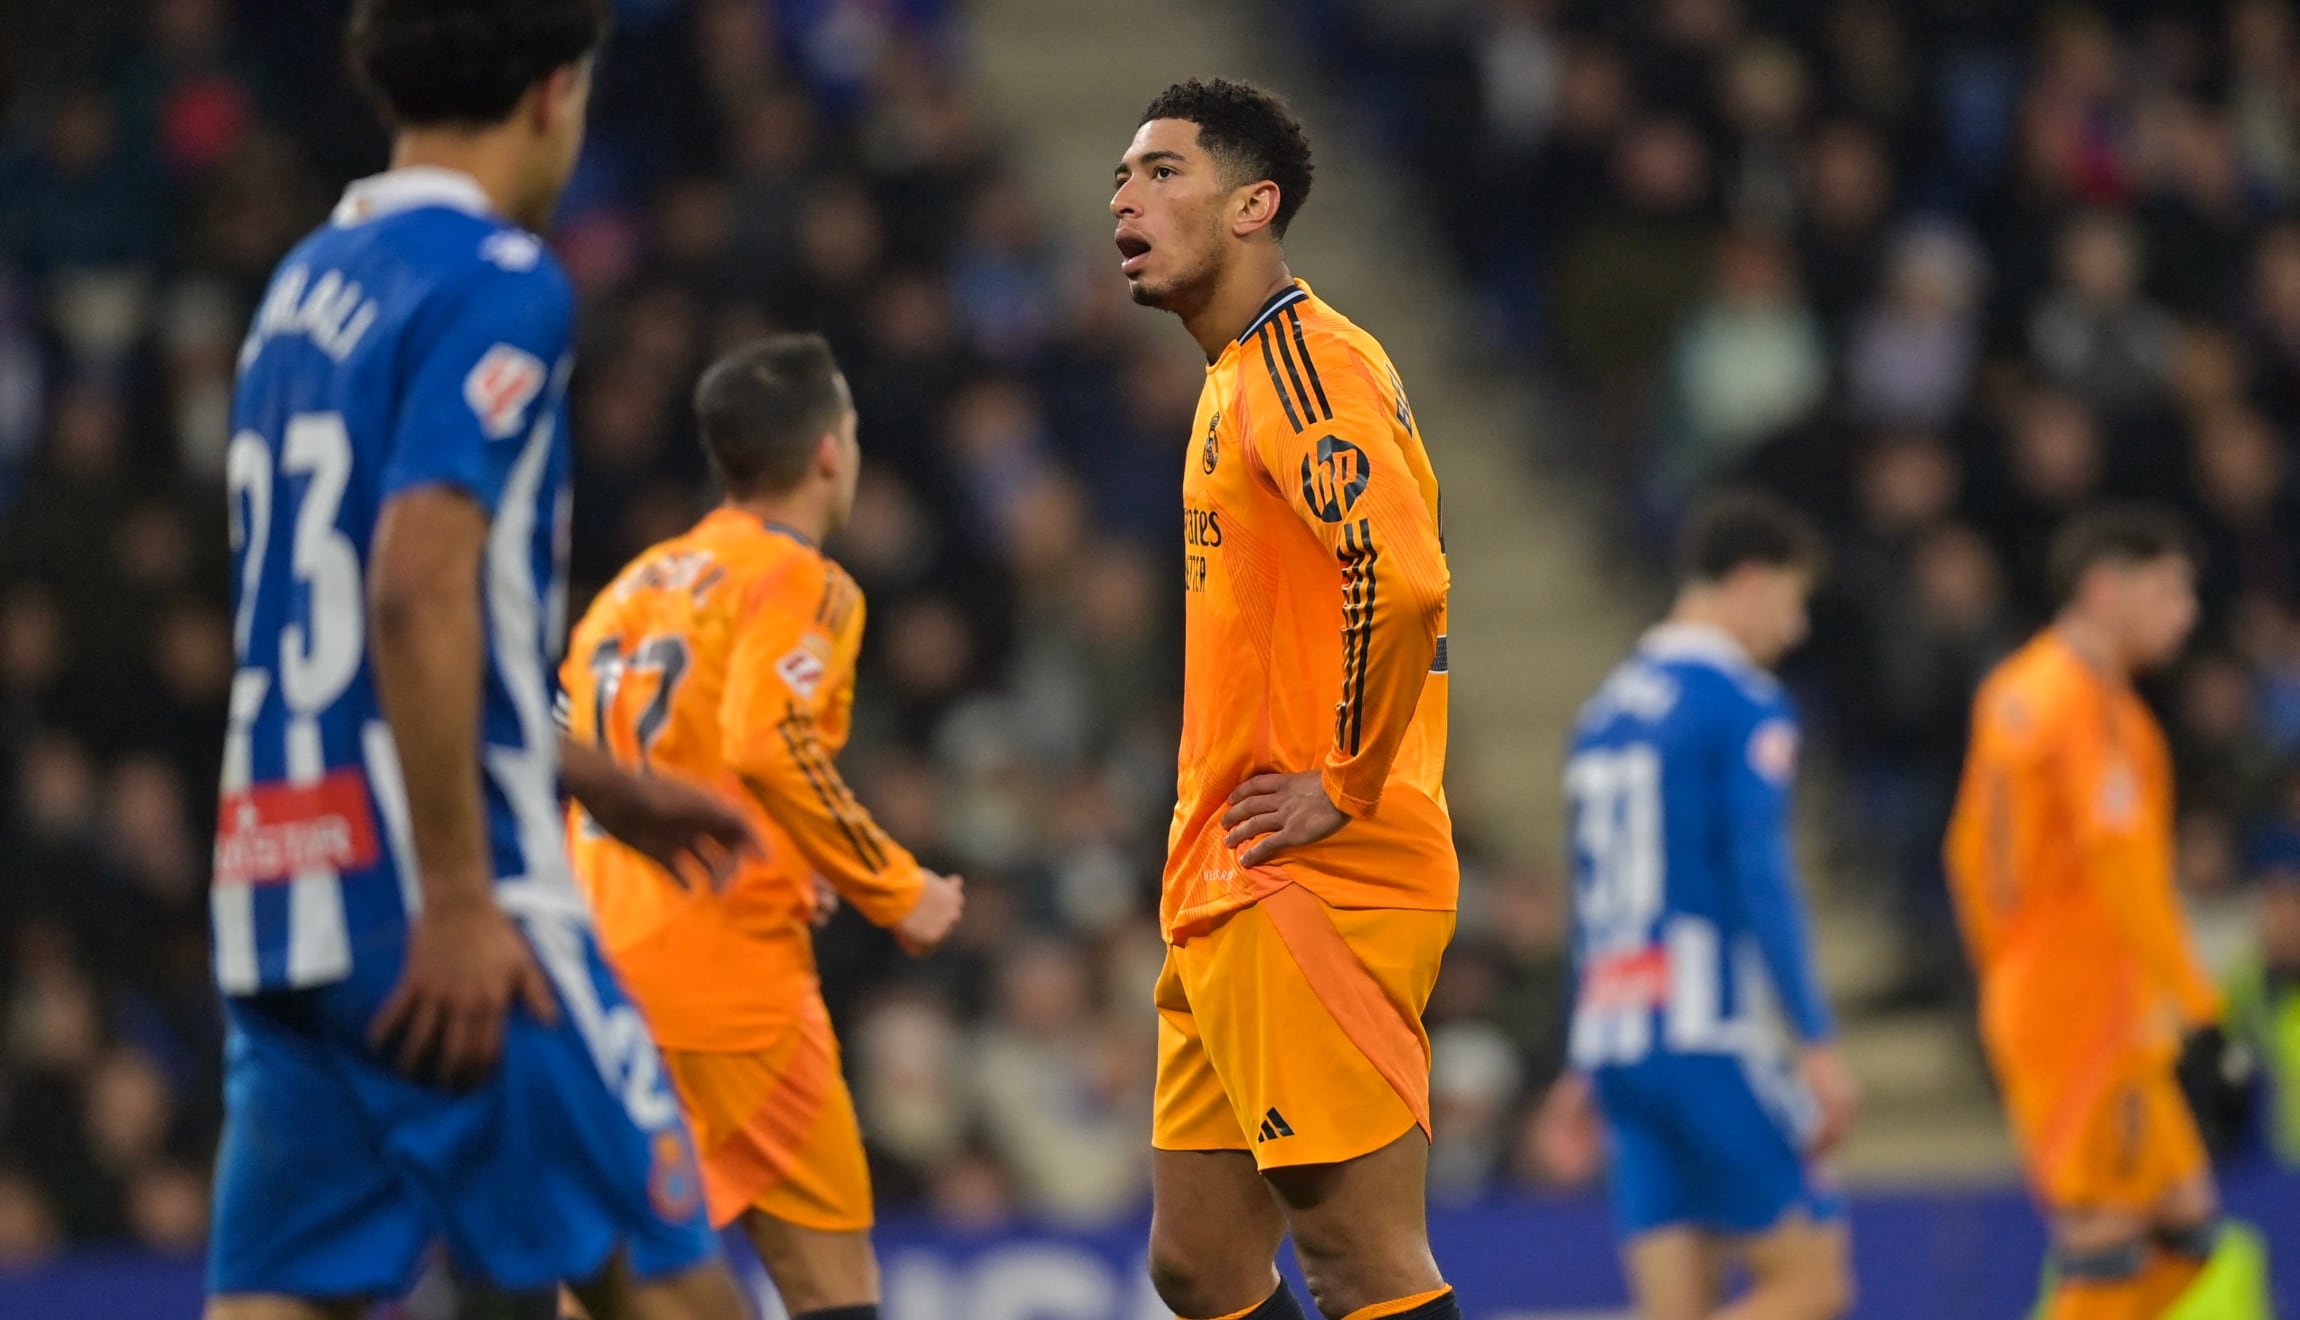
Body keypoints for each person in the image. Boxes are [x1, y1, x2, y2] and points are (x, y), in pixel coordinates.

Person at [205, 3, 759, 1317]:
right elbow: (411, 585)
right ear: (555, 95)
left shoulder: (300, 290)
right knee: (676, 1290)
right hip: (446, 902)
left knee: (283, 1301)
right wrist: (462, 893)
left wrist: (585, 773)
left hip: (286, 886)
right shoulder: (499, 281)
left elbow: (337, 620)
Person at [1111, 77, 1460, 1320]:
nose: (1123, 200)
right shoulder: (1232, 378)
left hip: (1314, 879)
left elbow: (1402, 575)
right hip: (1224, 872)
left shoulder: (1307, 365)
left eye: (1160, 172)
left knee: (1360, 1259)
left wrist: (1343, 784)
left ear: (1254, 205)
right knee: (1197, 1265)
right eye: (1119, 176)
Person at [560, 334, 966, 1320]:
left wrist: (782, 853)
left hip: (600, 973)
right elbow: (767, 742)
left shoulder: (632, 587)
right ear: (831, 451)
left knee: (613, 1282)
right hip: (733, 991)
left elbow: (587, 763)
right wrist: (900, 890)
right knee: (831, 1289)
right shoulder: (803, 582)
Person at [1534, 492, 1856, 1320]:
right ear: (1748, 582)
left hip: (1617, 1039)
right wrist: (1815, 1036)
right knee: (1815, 1284)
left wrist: (1579, 1053)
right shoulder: (1740, 703)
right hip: (1704, 1032)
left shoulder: (1604, 713)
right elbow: (1763, 875)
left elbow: (1593, 896)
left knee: (1675, 1307)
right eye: (1790, 603)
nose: (1794, 632)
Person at [1944, 505, 2241, 1319]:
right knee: (2106, 1242)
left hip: (2061, 989)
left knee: (2185, 1227)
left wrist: (2006, 970)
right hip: (2081, 1004)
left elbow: (1966, 858)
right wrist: (2200, 1009)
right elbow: (2126, 871)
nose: (2186, 616)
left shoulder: (2021, 688)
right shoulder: (2079, 707)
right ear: (2105, 589)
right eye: (2169, 593)